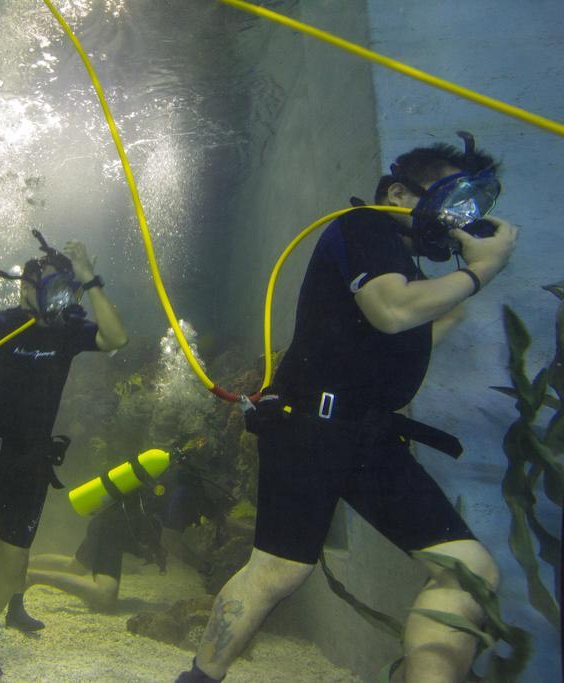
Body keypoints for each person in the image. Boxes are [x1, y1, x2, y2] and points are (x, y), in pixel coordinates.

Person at [176, 134, 518, 683]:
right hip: (309, 425)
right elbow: (390, 311)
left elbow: (414, 325)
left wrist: (455, 290)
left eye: (471, 207)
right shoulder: (364, 229)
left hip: (369, 436)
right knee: (279, 571)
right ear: (400, 195)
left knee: (467, 572)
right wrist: (482, 272)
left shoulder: (405, 263)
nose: (459, 219)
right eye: (451, 199)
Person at [0, 232, 128, 678]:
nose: (59, 296)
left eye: (65, 288)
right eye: (51, 285)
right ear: (25, 285)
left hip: (30, 464)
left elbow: (116, 338)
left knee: (12, 569)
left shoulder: (68, 333)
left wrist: (91, 281)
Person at [25, 468, 212, 612]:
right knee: (105, 596)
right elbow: (170, 542)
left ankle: (24, 564)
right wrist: (203, 566)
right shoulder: (184, 494)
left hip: (106, 521)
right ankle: (33, 576)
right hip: (111, 533)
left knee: (73, 567)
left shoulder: (172, 482)